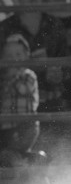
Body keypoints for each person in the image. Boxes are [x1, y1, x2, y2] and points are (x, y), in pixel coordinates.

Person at [0, 0, 69, 113]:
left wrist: (57, 72)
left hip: (52, 102)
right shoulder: (5, 27)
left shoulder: (55, 25)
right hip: (15, 103)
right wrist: (25, 65)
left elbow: (67, 64)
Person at [0, 33, 46, 167]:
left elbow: (22, 89)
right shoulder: (3, 78)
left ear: (27, 56)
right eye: (9, 56)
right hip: (6, 125)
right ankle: (34, 159)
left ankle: (27, 164)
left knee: (10, 152)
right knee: (8, 152)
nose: (14, 59)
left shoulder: (28, 75)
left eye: (18, 55)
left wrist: (13, 75)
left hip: (25, 126)